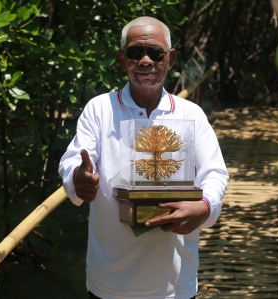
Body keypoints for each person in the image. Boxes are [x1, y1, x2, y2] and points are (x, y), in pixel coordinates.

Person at [59, 16, 228, 299]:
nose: (146, 61)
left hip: (174, 281)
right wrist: (78, 177)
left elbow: (215, 173)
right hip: (110, 280)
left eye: (156, 53)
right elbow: (73, 160)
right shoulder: (99, 109)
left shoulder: (191, 114)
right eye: (136, 53)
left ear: (170, 59)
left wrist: (205, 206)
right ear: (123, 59)